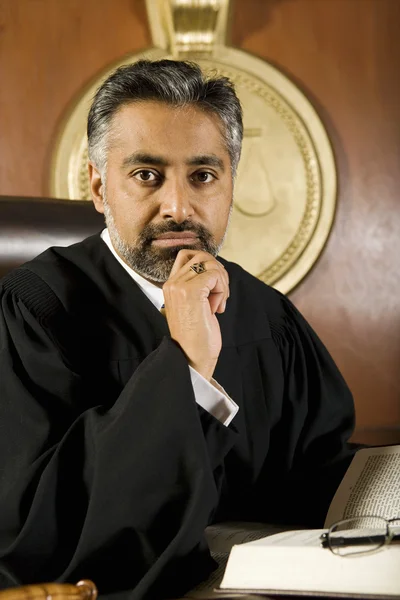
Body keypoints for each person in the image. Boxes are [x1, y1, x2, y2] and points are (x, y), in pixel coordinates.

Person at [0, 60, 357, 599]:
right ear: (99, 187)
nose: (178, 207)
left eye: (203, 175)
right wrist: (186, 360)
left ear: (230, 185)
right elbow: (32, 531)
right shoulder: (35, 312)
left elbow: (318, 475)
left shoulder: (268, 317)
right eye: (147, 175)